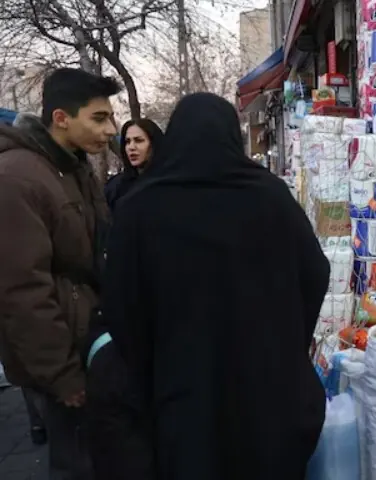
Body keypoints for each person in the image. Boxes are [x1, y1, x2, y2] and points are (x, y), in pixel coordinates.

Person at [95, 92, 330, 479]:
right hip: (268, 392)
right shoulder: (269, 197)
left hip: (184, 395)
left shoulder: (140, 208)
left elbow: (122, 307)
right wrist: (286, 338)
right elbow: (315, 274)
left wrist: (153, 364)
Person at [0, 67, 120, 479]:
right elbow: (20, 291)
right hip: (61, 361)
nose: (111, 130)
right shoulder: (16, 177)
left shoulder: (73, 167)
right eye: (99, 118)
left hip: (88, 342)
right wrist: (62, 376)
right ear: (61, 118)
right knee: (76, 462)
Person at [104, 119, 164, 212]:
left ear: (154, 144)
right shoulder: (115, 187)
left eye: (139, 140)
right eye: (127, 142)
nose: (131, 147)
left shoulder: (169, 185)